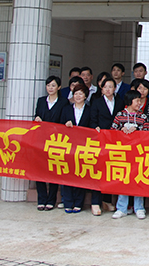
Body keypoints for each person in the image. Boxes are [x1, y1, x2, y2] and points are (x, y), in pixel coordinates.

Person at [111, 90, 148, 220]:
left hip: (138, 154)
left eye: (140, 100)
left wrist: (137, 130)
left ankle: (139, 208)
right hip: (123, 154)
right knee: (124, 180)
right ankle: (121, 208)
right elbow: (111, 132)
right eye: (137, 100)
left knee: (138, 179)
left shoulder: (143, 117)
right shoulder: (120, 115)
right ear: (129, 101)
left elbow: (148, 134)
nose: (139, 103)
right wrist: (120, 130)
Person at [89, 77, 123, 215]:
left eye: (110, 86)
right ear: (101, 89)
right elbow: (92, 120)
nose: (108, 89)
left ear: (115, 88)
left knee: (110, 170)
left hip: (115, 140)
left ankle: (107, 200)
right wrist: (95, 128)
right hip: (100, 140)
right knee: (98, 171)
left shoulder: (120, 102)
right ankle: (95, 202)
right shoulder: (96, 102)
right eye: (105, 87)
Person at [33, 75, 68, 211]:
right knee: (39, 169)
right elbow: (37, 115)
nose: (50, 88)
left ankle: (51, 200)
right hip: (41, 140)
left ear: (59, 87)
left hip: (55, 140)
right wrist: (36, 119)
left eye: (53, 85)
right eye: (48, 85)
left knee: (53, 169)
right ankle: (41, 199)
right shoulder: (41, 101)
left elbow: (63, 120)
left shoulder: (63, 102)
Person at [61, 82, 92, 213]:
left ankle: (78, 202)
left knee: (81, 173)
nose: (78, 96)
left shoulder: (90, 110)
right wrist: (65, 125)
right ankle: (67, 202)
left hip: (83, 147)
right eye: (76, 94)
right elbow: (58, 126)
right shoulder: (66, 109)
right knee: (67, 173)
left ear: (85, 96)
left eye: (81, 94)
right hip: (68, 146)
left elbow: (92, 127)